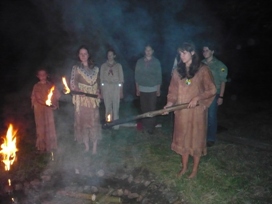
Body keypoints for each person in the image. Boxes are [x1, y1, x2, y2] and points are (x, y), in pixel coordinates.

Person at [164, 42, 216, 178]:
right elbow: (173, 91)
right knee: (183, 139)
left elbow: (212, 89)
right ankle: (185, 167)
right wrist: (169, 104)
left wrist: (198, 98)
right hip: (182, 112)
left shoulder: (202, 70)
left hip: (197, 113)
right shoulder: (177, 71)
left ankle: (194, 170)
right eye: (180, 53)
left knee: (196, 139)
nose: (182, 56)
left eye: (184, 53)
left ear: (192, 52)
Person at [70, 45, 101, 154]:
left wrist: (98, 91)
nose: (83, 56)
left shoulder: (96, 69)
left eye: (85, 53)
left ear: (88, 55)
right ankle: (87, 146)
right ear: (78, 56)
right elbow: (72, 84)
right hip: (82, 100)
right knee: (83, 123)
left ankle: (94, 147)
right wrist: (79, 91)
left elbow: (98, 83)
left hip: (92, 100)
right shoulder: (76, 68)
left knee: (94, 122)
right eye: (81, 54)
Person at [202, 43, 228, 147]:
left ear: (212, 51)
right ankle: (202, 136)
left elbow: (223, 81)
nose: (204, 52)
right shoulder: (201, 63)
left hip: (214, 93)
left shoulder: (220, 65)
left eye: (207, 50)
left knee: (211, 116)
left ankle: (211, 138)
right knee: (202, 115)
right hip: (202, 94)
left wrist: (221, 96)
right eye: (203, 50)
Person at [31, 68, 60, 153]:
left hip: (49, 109)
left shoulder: (51, 85)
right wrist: (44, 103)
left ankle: (52, 145)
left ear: (47, 75)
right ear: (38, 76)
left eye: (44, 74)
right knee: (41, 127)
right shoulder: (36, 86)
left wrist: (54, 104)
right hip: (39, 109)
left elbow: (56, 95)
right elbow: (36, 98)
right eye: (40, 75)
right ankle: (41, 147)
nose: (42, 76)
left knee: (50, 126)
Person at [135, 45, 162, 134]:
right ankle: (145, 126)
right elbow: (137, 76)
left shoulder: (156, 62)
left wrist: (158, 89)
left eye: (150, 50)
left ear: (152, 51)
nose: (148, 52)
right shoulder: (140, 62)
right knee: (144, 108)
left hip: (153, 89)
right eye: (146, 50)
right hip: (142, 88)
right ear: (144, 51)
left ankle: (150, 128)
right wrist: (137, 88)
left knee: (152, 109)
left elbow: (159, 76)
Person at [100, 49, 124, 129]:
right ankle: (108, 124)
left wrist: (121, 91)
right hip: (106, 87)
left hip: (116, 87)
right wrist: (102, 92)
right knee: (108, 106)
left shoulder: (118, 66)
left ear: (114, 56)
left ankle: (116, 125)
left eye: (111, 55)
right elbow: (101, 80)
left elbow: (121, 80)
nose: (110, 56)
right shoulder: (103, 66)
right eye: (108, 55)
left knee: (116, 106)